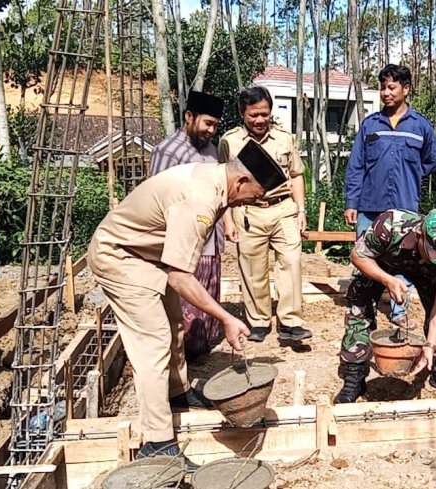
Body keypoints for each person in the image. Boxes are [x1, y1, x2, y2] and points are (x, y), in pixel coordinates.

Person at [87, 154, 287, 470]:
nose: (252, 202)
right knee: (152, 343)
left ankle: (177, 393)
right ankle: (158, 443)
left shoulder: (216, 179)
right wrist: (226, 317)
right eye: (256, 195)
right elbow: (181, 276)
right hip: (120, 257)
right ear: (241, 181)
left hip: (148, 256)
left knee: (173, 324)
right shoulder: (200, 198)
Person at [335, 208, 436, 404]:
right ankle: (355, 377)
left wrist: (430, 345)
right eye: (434, 253)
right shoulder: (390, 224)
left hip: (427, 273)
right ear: (420, 235)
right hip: (381, 264)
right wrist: (388, 280)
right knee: (359, 305)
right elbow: (358, 256)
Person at [344, 64, 436, 326]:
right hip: (370, 206)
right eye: (382, 87)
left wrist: (411, 175)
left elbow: (432, 160)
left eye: (391, 87)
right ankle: (365, 314)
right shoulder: (370, 125)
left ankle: (399, 312)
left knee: (406, 262)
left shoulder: (421, 126)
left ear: (405, 89)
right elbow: (356, 165)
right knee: (365, 259)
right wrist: (351, 203)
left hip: (405, 209)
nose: (386, 92)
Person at [218, 86, 311, 343]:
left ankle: (290, 322)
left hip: (284, 210)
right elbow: (223, 183)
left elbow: (296, 174)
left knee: (291, 263)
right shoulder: (230, 141)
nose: (259, 120)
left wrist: (301, 210)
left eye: (264, 114)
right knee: (252, 268)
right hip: (248, 211)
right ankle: (258, 320)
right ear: (242, 114)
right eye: (253, 115)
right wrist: (227, 220)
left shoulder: (284, 138)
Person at [149, 91, 226, 357]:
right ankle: (181, 360)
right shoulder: (168, 152)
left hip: (210, 239)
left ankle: (198, 351)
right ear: (189, 116)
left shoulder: (212, 151)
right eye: (207, 123)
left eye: (216, 125)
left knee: (206, 298)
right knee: (183, 303)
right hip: (184, 244)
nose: (211, 130)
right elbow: (157, 198)